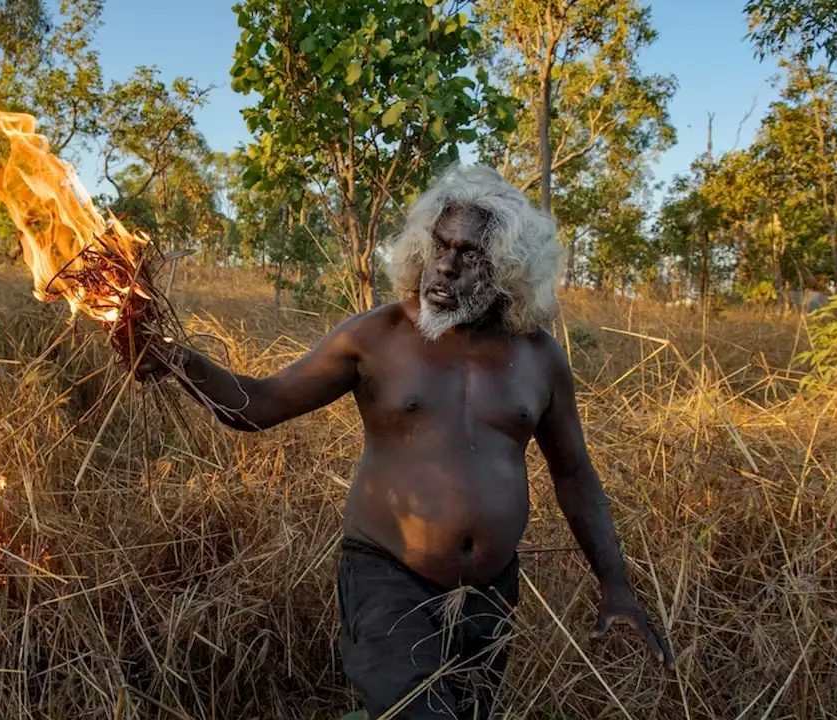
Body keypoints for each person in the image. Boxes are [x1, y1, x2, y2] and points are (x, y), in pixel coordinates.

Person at [136, 163, 673, 719]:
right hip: (387, 576)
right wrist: (176, 358)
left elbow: (573, 474)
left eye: (470, 255)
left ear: (508, 269)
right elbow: (258, 405)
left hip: (490, 594)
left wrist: (616, 584)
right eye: (441, 244)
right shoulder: (375, 336)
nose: (444, 265)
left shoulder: (538, 358)